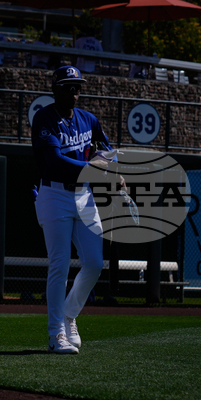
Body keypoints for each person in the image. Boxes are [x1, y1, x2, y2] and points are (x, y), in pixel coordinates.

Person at [31, 65, 117, 354]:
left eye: (78, 85)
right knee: (60, 263)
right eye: (68, 85)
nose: (75, 91)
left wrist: (106, 161)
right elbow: (55, 162)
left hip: (83, 195)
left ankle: (69, 315)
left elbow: (107, 150)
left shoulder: (88, 119)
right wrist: (94, 168)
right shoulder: (44, 118)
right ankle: (56, 334)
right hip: (54, 192)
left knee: (94, 263)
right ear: (55, 89)